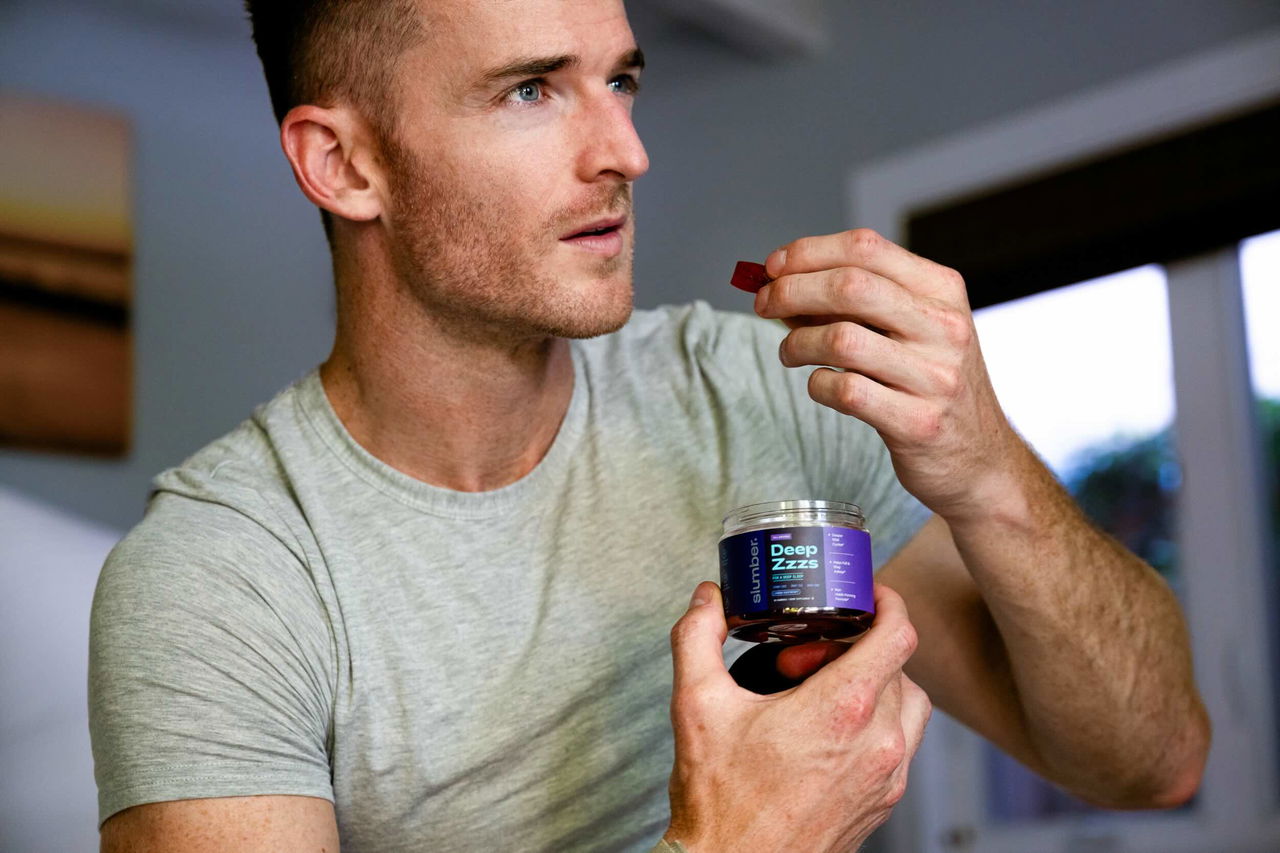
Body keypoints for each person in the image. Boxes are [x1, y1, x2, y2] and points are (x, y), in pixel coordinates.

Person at [88, 1, 1210, 851]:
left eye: (618, 79)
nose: (624, 151)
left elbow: (1151, 760)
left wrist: (986, 466)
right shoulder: (216, 579)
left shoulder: (760, 387)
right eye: (531, 90)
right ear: (345, 164)